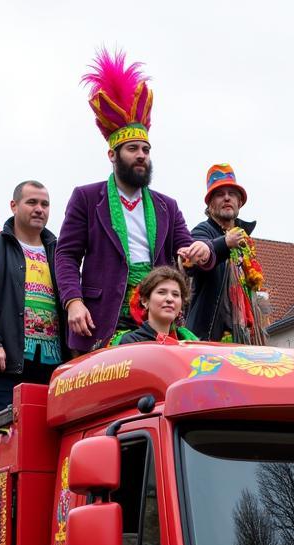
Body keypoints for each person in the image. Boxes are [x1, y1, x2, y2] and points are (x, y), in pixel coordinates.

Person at [55, 50, 213, 353]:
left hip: (155, 313)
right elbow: (66, 256)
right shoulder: (87, 198)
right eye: (132, 149)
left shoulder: (167, 205)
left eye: (145, 149)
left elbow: (186, 252)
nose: (141, 155)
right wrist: (73, 302)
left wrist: (202, 252)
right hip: (103, 316)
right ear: (112, 154)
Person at [0, 181, 66, 415]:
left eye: (45, 204)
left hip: (54, 365)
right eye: (31, 202)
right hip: (7, 362)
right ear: (14, 205)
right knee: (7, 435)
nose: (39, 209)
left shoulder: (59, 250)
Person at [185, 164, 264, 341]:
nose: (227, 198)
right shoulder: (201, 232)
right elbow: (193, 262)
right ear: (210, 203)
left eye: (232, 194)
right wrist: (225, 243)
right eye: (220, 194)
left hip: (242, 338)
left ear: (240, 202)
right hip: (207, 339)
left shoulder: (245, 241)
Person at [107, 267, 196, 346]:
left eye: (175, 294)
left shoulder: (189, 343)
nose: (170, 299)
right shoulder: (130, 343)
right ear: (145, 301)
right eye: (161, 292)